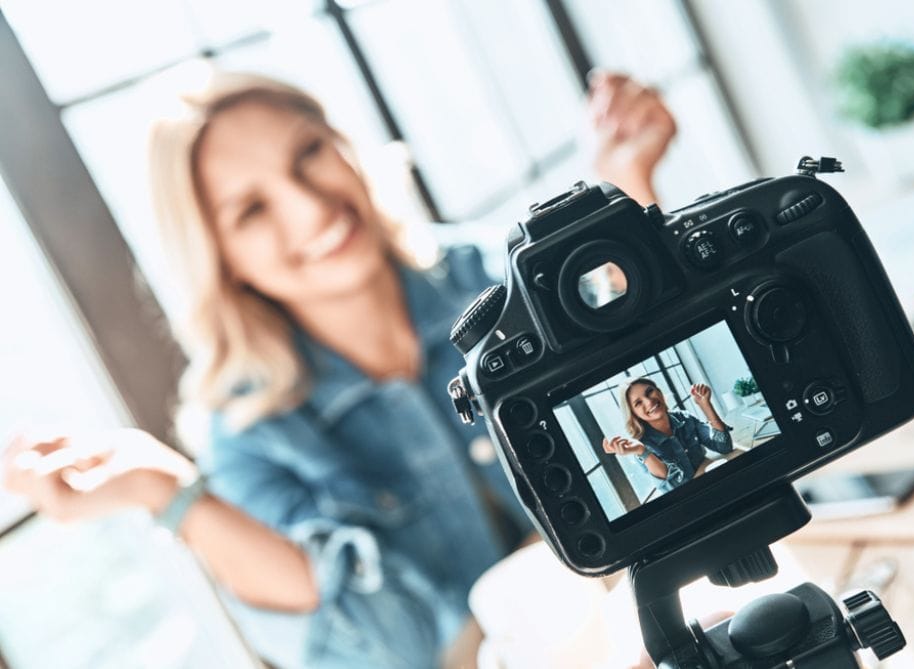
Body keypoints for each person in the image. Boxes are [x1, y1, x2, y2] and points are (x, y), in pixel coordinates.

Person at [1, 69, 678, 668]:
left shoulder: (494, 278)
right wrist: (168, 492)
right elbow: (389, 648)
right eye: (252, 209)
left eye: (308, 155)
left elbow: (661, 405)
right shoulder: (246, 432)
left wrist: (624, 190)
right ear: (218, 254)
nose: (311, 206)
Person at [603, 377, 734, 491]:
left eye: (649, 392)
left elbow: (724, 447)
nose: (649, 402)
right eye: (638, 403)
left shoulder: (685, 418)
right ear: (633, 413)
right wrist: (641, 450)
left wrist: (705, 404)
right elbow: (676, 486)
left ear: (659, 392)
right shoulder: (641, 445)